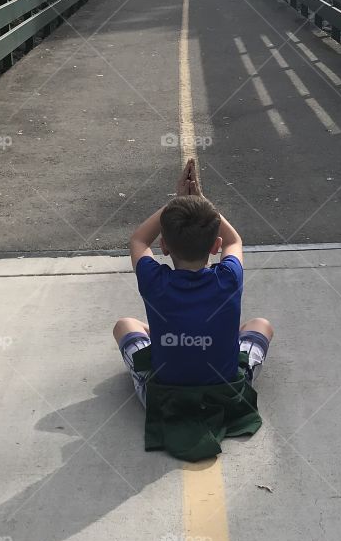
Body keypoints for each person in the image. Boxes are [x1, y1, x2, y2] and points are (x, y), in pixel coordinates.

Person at [112, 158, 273, 459]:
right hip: (226, 395)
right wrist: (199, 200)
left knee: (125, 325)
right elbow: (235, 240)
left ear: (165, 247)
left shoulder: (154, 280)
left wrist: (178, 202)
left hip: (165, 399)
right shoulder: (228, 278)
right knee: (261, 324)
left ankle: (163, 334)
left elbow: (137, 239)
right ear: (215, 246)